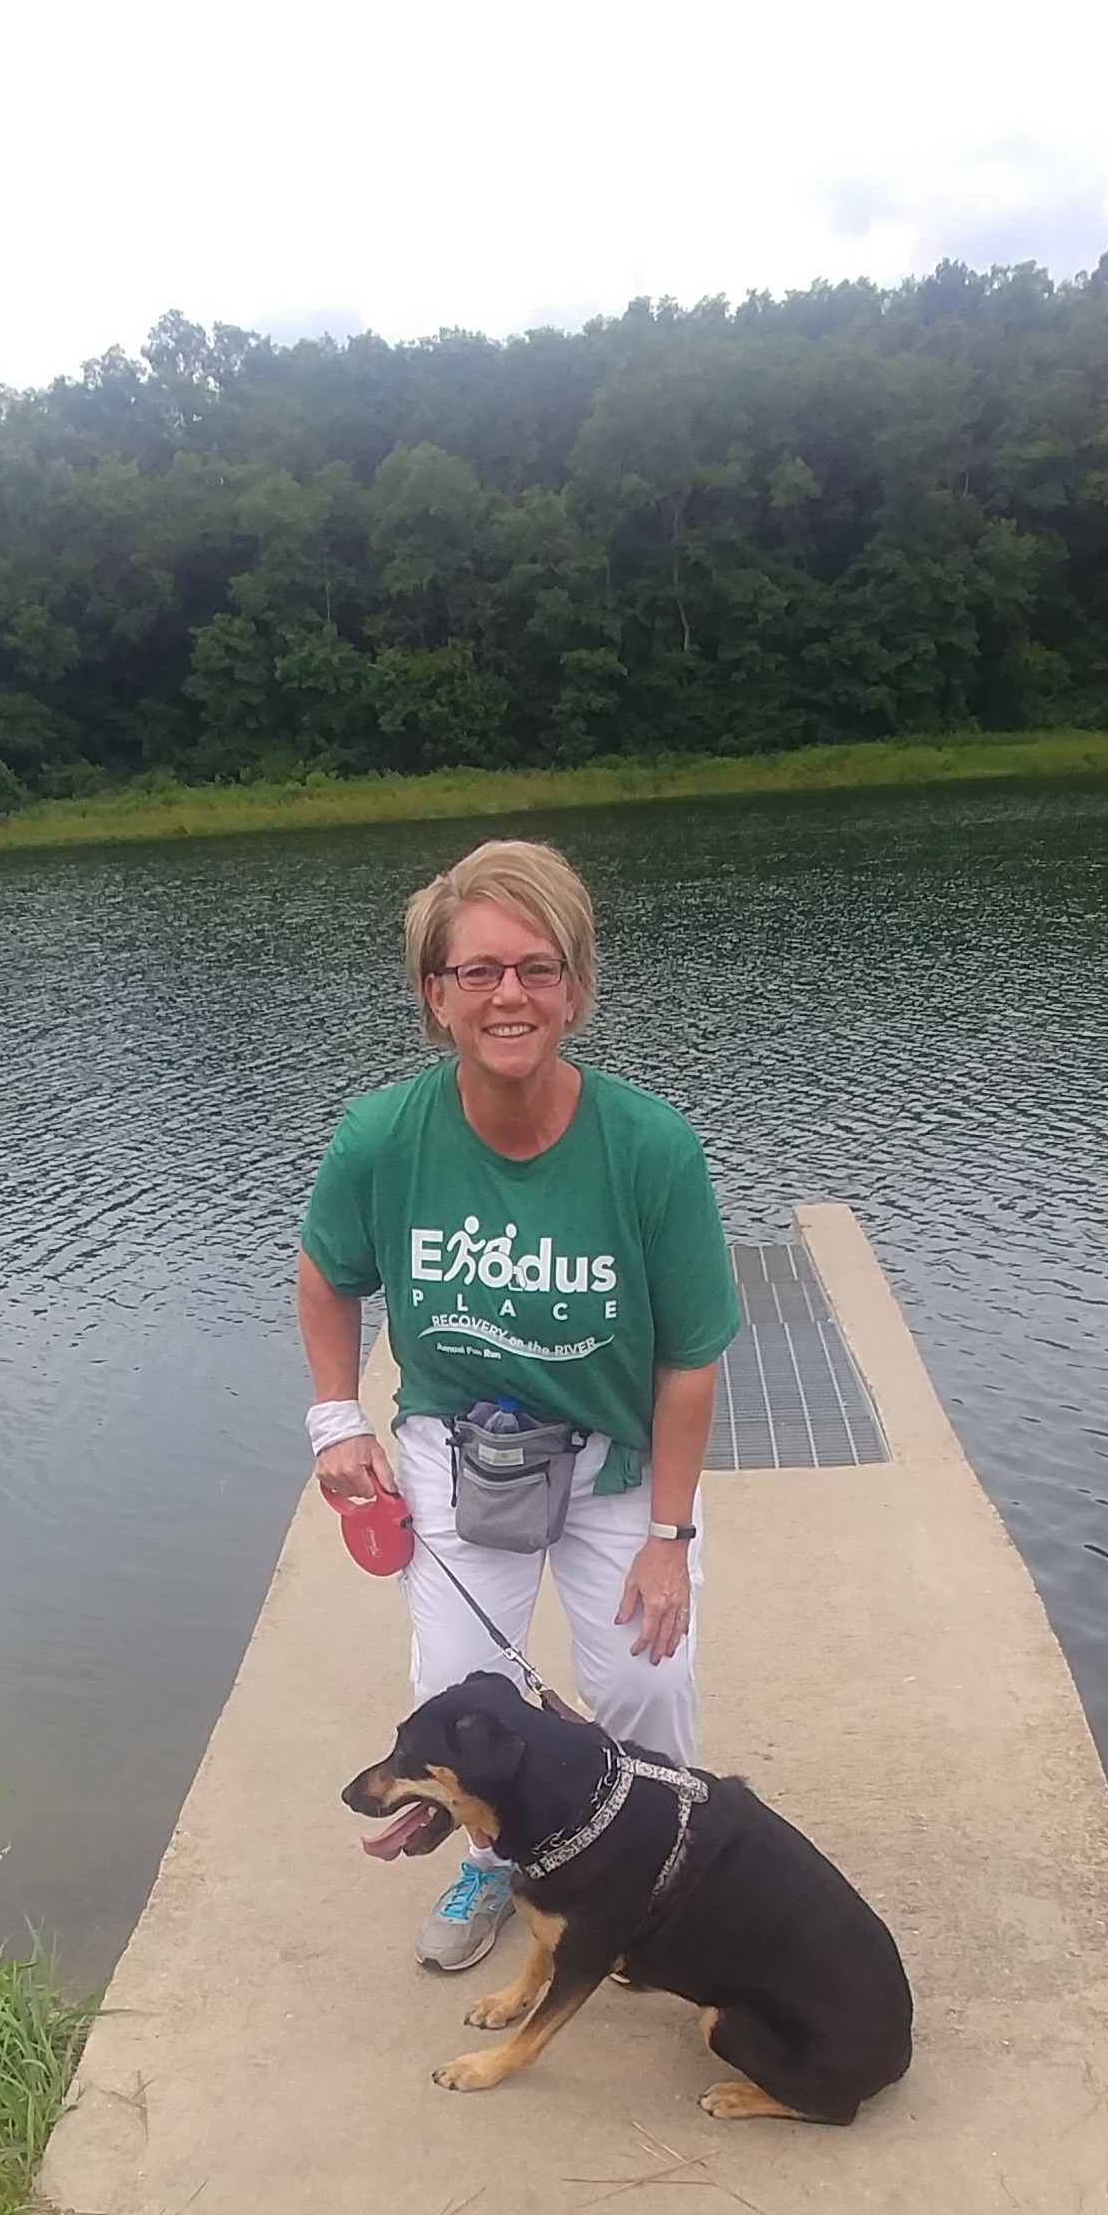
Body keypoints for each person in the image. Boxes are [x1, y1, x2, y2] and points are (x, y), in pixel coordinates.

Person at [296, 835, 743, 1971]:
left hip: (616, 1460)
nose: (509, 994)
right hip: (458, 1447)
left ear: (576, 989)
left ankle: (654, 1870)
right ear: (433, 994)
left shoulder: (651, 1148)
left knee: (645, 1675)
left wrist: (669, 1538)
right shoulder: (381, 1137)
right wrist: (336, 1416)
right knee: (459, 1696)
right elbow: (325, 1273)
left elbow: (690, 1357)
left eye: (537, 968)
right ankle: (495, 1860)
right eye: (480, 971)